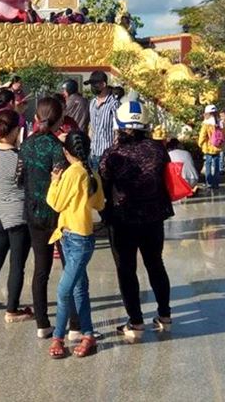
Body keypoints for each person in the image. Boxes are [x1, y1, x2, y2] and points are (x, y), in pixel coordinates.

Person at [100, 101, 174, 339]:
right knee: (155, 264)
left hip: (123, 221)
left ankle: (136, 322)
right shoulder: (158, 149)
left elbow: (103, 187)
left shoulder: (112, 155)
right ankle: (164, 315)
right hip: (154, 218)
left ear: (119, 126)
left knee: (126, 270)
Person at [16, 95, 81, 339]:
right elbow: (65, 181)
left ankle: (42, 323)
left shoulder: (26, 145)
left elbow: (19, 179)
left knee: (40, 269)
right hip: (60, 215)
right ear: (61, 120)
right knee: (69, 269)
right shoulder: (59, 149)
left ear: (35, 118)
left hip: (34, 213)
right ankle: (74, 324)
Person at [45, 130, 104, 359]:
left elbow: (56, 203)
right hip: (79, 235)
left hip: (74, 238)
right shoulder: (91, 173)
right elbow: (99, 203)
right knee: (79, 288)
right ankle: (87, 333)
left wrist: (54, 182)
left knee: (63, 290)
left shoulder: (72, 173)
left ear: (66, 151)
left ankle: (58, 336)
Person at [0, 109, 33, 321]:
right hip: (18, 215)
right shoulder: (18, 157)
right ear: (12, 131)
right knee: (17, 265)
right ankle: (12, 309)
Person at [86, 71, 120, 169]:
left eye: (94, 84)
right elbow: (91, 127)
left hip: (107, 154)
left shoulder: (114, 104)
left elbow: (118, 129)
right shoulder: (92, 103)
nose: (92, 87)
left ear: (103, 84)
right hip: (93, 152)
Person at [197, 105, 224, 191]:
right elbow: (224, 134)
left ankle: (209, 183)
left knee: (208, 165)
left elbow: (202, 136)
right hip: (217, 147)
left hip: (208, 148)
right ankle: (216, 183)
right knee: (216, 165)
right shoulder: (219, 122)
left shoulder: (206, 124)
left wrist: (200, 144)